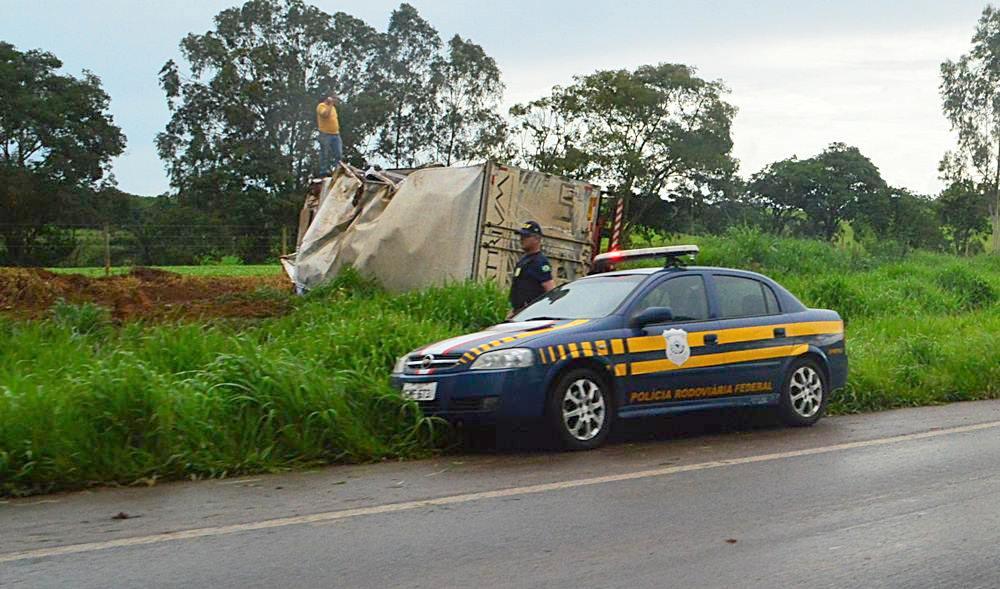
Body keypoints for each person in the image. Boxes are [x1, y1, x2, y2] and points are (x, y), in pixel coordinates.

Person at [509, 220, 556, 315]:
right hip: (519, 312)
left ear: (536, 239)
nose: (521, 239)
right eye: (521, 236)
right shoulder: (523, 261)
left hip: (531, 313)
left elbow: (550, 289)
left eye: (526, 236)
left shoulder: (540, 262)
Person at [316, 94, 342, 175]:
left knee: (338, 154)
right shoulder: (321, 106)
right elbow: (325, 114)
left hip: (336, 134)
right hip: (325, 134)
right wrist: (330, 104)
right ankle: (323, 171)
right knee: (324, 153)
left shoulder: (333, 108)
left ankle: (338, 170)